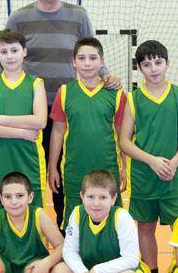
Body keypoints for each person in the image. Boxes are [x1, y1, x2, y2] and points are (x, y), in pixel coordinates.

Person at [0, 0, 120, 229]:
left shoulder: (79, 15)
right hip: (29, 113)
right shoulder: (19, 17)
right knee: (26, 178)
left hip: (68, 111)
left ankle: (66, 233)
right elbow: (4, 51)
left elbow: (91, 50)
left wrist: (106, 75)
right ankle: (23, 233)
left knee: (61, 177)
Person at [119, 40, 178, 273]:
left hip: (173, 176)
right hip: (144, 176)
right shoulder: (133, 98)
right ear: (140, 68)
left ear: (167, 64)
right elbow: (124, 141)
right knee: (145, 228)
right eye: (147, 64)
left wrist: (173, 162)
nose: (153, 69)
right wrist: (151, 161)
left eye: (158, 62)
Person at [50, 170, 149, 273]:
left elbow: (131, 259)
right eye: (90, 197)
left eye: (103, 197)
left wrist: (97, 271)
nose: (96, 203)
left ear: (113, 198)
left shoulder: (121, 217)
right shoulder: (77, 213)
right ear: (82, 196)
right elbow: (69, 251)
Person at [48, 37, 127, 229]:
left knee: (112, 224)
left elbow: (122, 136)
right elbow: (57, 132)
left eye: (93, 58)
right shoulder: (64, 92)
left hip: (108, 169)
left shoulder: (116, 93)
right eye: (82, 58)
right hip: (74, 170)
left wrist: (124, 167)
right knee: (75, 223)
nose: (87, 63)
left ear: (102, 61)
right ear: (74, 62)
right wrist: (52, 167)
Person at [0, 30, 47, 219]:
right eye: (4, 52)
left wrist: (1, 119)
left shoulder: (36, 83)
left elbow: (40, 120)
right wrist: (22, 133)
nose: (9, 56)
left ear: (24, 51)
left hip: (29, 161)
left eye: (14, 50)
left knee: (34, 221)